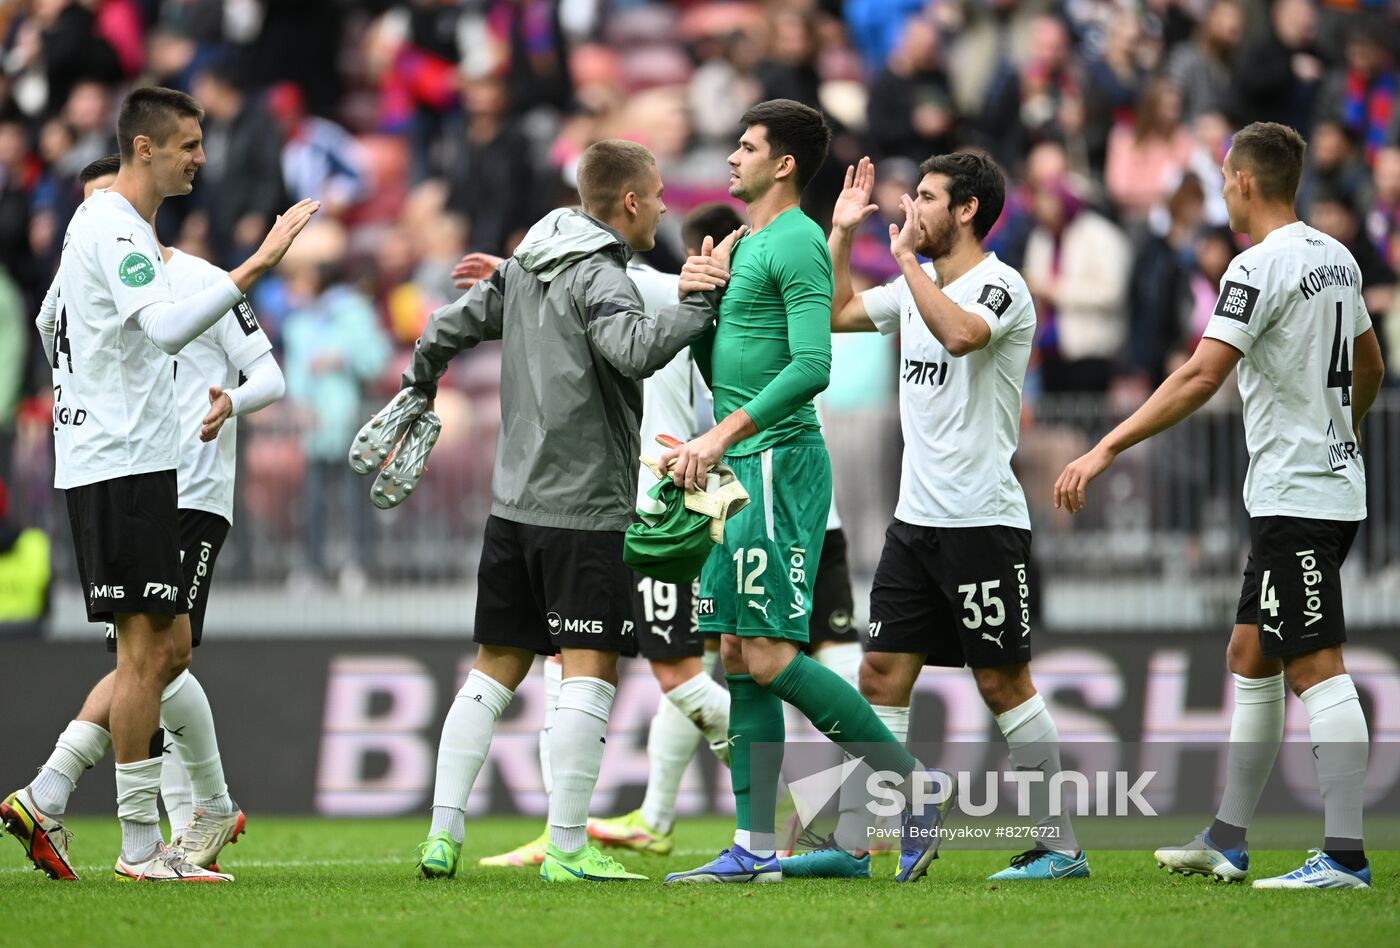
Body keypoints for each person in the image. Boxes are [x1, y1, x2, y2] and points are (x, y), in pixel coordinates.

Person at [1056, 122, 1385, 890]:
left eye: (1224, 179)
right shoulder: (1336, 256)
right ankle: (1229, 839)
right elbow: (1369, 360)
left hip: (1299, 494)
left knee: (1315, 665)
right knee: (1251, 652)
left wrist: (1105, 447)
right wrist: (1348, 430)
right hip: (1322, 484)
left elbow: (1201, 376)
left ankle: (1343, 857)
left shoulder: (1255, 265)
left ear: (1241, 180)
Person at [404, 139, 742, 884]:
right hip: (584, 509)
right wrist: (699, 304)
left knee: (491, 674)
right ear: (629, 202)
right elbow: (632, 350)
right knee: (589, 675)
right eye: (655, 196)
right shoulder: (600, 272)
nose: (660, 207)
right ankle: (565, 848)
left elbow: (442, 328)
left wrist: (418, 386)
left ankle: (440, 837)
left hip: (511, 507)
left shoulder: (527, 264)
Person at [0, 87, 316, 884]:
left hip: (130, 460)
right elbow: (167, 328)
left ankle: (70, 798)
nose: (200, 159)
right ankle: (143, 840)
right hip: (124, 462)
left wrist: (82, 389)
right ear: (144, 150)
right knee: (147, 657)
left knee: (163, 648)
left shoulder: (100, 234)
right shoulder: (112, 227)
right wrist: (260, 262)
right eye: (188, 146)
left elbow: (47, 324)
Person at [783, 152, 1088, 882]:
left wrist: (906, 266)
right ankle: (863, 842)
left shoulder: (1002, 286)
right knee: (881, 672)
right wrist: (839, 233)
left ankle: (1062, 845)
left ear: (967, 210)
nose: (910, 207)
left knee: (1002, 683)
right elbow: (836, 315)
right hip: (913, 524)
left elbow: (959, 336)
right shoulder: (909, 285)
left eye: (925, 197)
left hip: (982, 522)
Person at [661, 100, 941, 886]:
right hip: (734, 468)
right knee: (735, 655)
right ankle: (754, 847)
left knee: (775, 651)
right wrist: (697, 297)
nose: (730, 158)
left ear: (782, 164)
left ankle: (913, 788)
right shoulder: (745, 243)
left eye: (745, 147)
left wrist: (722, 435)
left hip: (777, 463)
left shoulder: (796, 244)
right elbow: (727, 358)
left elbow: (813, 364)